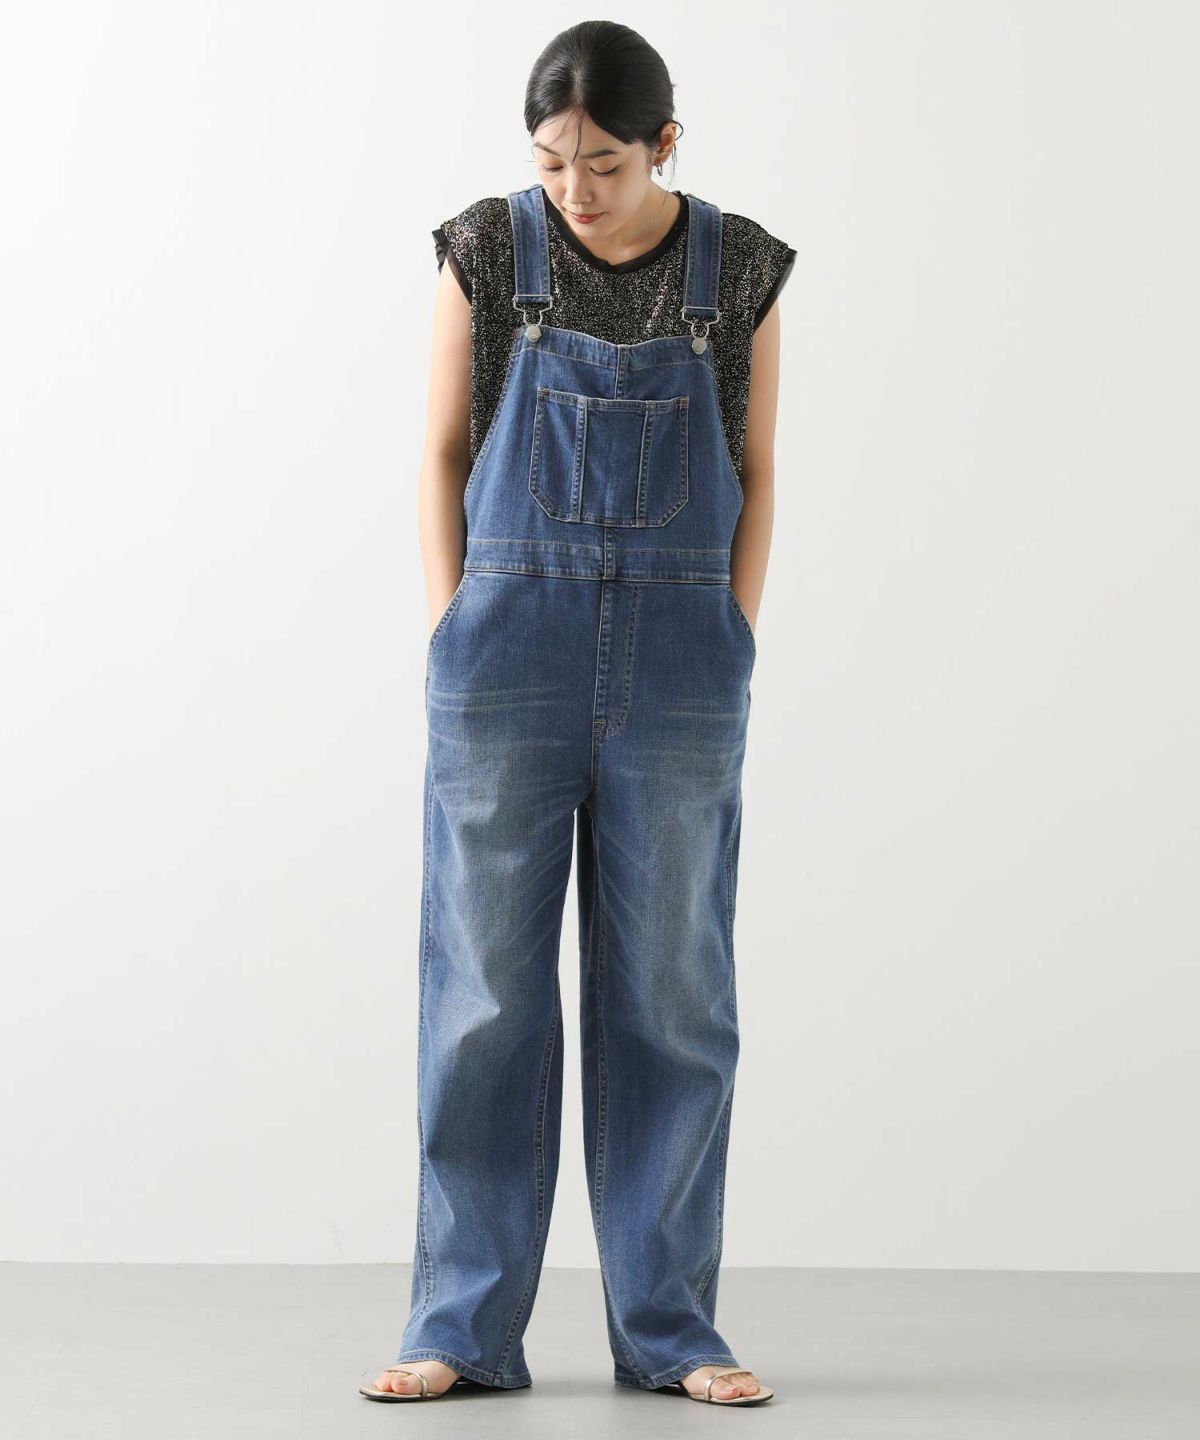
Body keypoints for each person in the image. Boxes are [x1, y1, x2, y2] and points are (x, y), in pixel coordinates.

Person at [361, 19, 793, 1410]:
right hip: (505, 653)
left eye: (603, 162)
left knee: (673, 997)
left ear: (665, 142)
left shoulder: (741, 266)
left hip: (682, 664)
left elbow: (756, 470)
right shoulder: (487, 250)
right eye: (552, 160)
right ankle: (462, 1324)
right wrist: (453, 625)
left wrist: (729, 632)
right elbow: (441, 452)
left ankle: (671, 1329)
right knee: (482, 998)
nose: (574, 189)